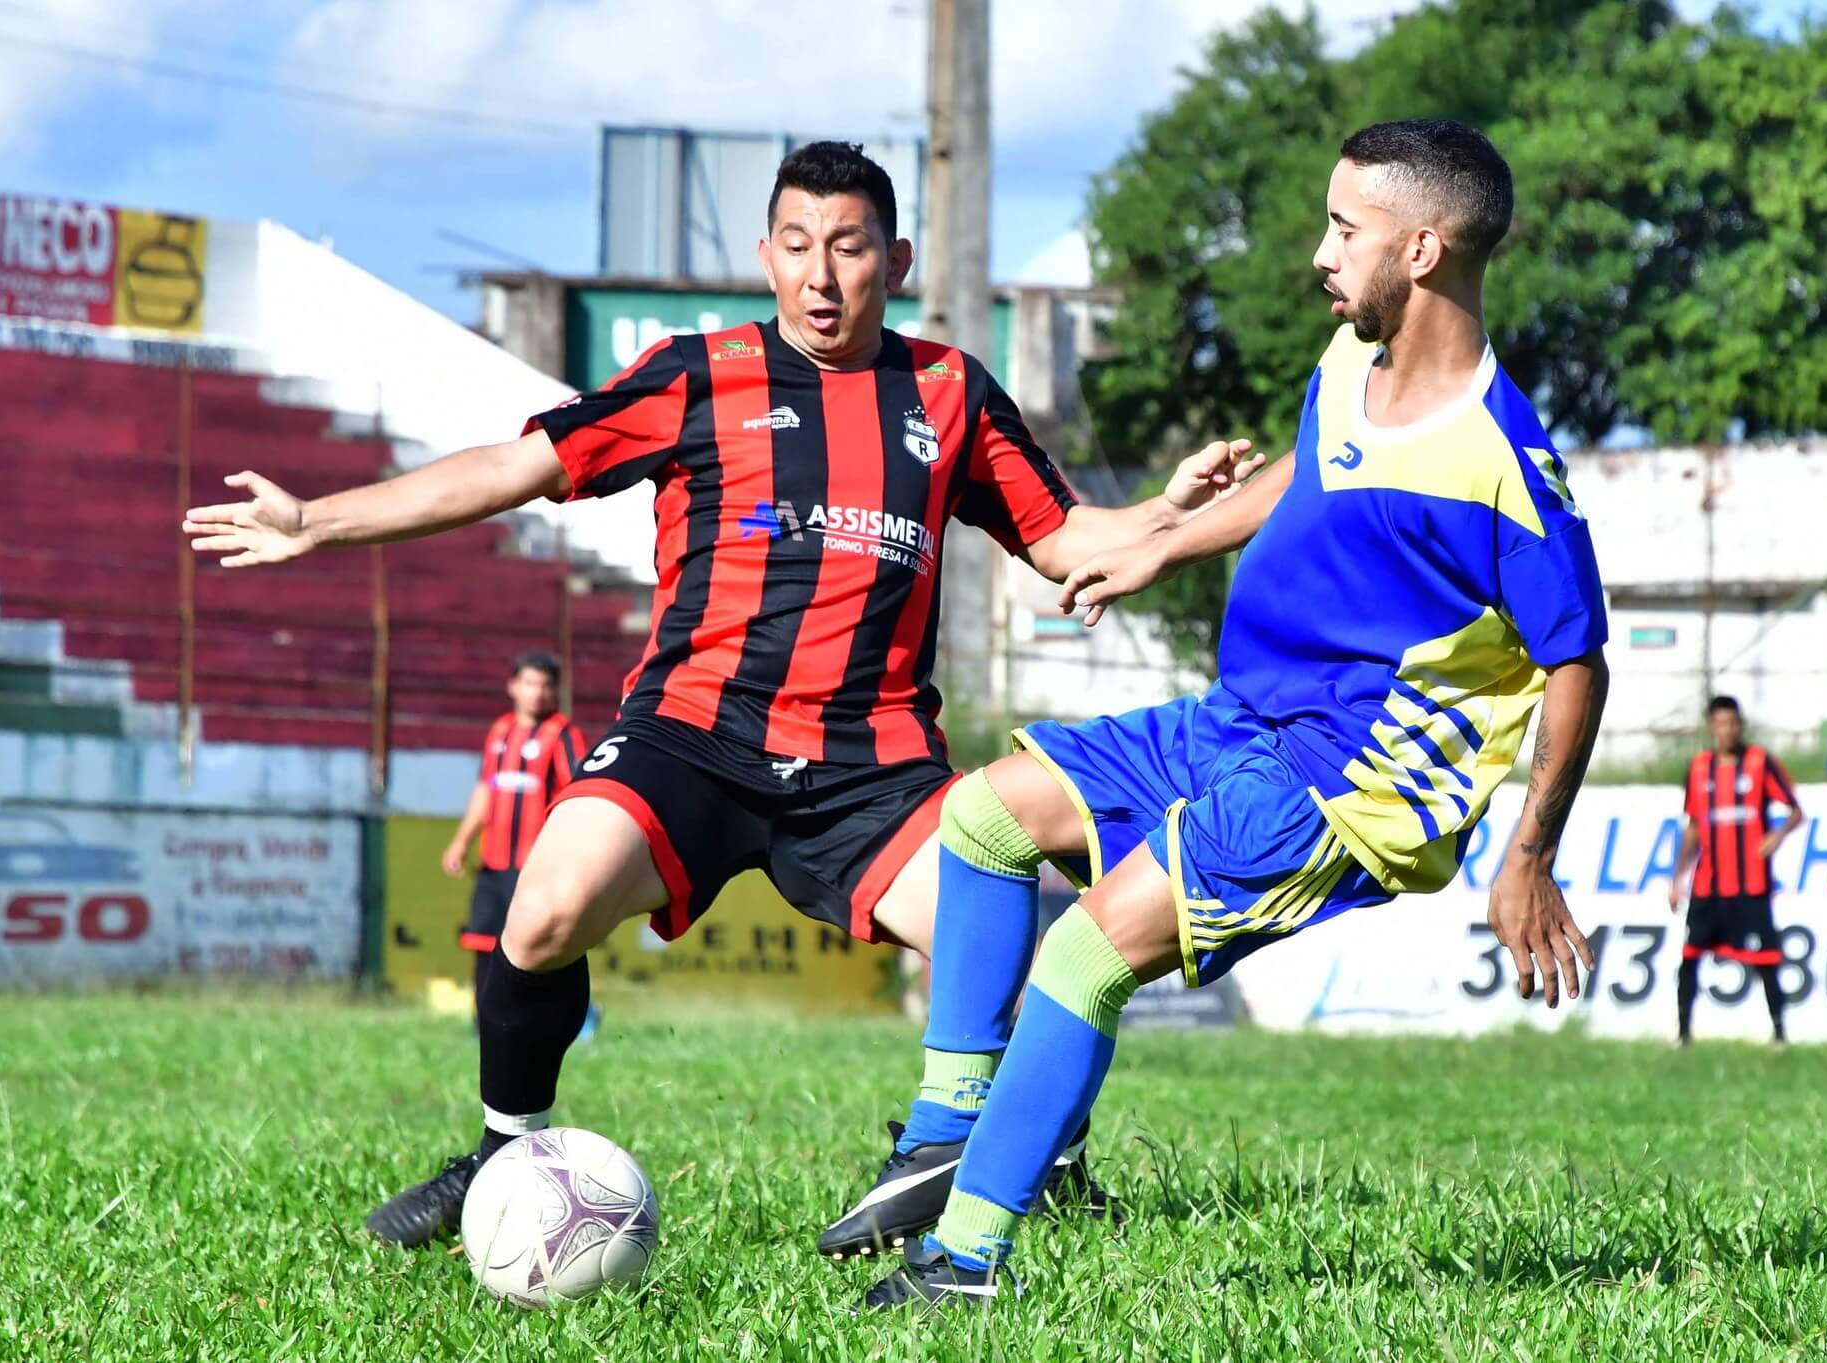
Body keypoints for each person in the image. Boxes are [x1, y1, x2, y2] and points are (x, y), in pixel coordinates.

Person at [181, 140, 1260, 1251]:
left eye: (848, 248)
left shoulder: (949, 392)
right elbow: (516, 467)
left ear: (895, 261)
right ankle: (506, 1154)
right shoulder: (697, 374)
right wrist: (316, 519)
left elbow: (1066, 539)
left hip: (873, 771)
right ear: (766, 255)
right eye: (797, 245)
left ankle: (1033, 1168)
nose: (821, 275)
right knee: (541, 912)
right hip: (692, 738)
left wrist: (1164, 514)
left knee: (1022, 958)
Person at [852, 117, 1610, 1313]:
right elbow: (1307, 469)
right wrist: (1164, 541)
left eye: (1343, 229)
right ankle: (952, 1130)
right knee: (982, 819)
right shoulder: (1349, 362)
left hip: (1347, 783)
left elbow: (1577, 663)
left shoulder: (1501, 460)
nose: (1319, 252)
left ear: (1420, 251)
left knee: (1083, 951)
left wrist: (1529, 855)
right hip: (1243, 716)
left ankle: (963, 1264)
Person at [441, 651, 588, 1004]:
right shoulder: (500, 731)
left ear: (555, 691)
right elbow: (486, 788)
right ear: (513, 686)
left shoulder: (563, 734)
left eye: (545, 685)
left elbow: (578, 791)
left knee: (537, 945)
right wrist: (461, 841)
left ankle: (550, 1015)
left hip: (536, 865)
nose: (537, 692)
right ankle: (484, 1021)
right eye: (529, 683)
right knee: (483, 941)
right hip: (494, 862)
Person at [1668, 695, 1802, 1044]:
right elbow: (1693, 827)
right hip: (1709, 885)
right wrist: (1677, 878)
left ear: (1740, 725)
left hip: (1751, 884)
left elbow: (1795, 811)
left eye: (1732, 723)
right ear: (1711, 727)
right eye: (1721, 724)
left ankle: (1780, 1034)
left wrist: (1777, 835)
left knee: (1767, 959)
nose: (1727, 730)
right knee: (1690, 958)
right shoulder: (1699, 769)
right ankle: (1683, 1034)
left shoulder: (1760, 763)